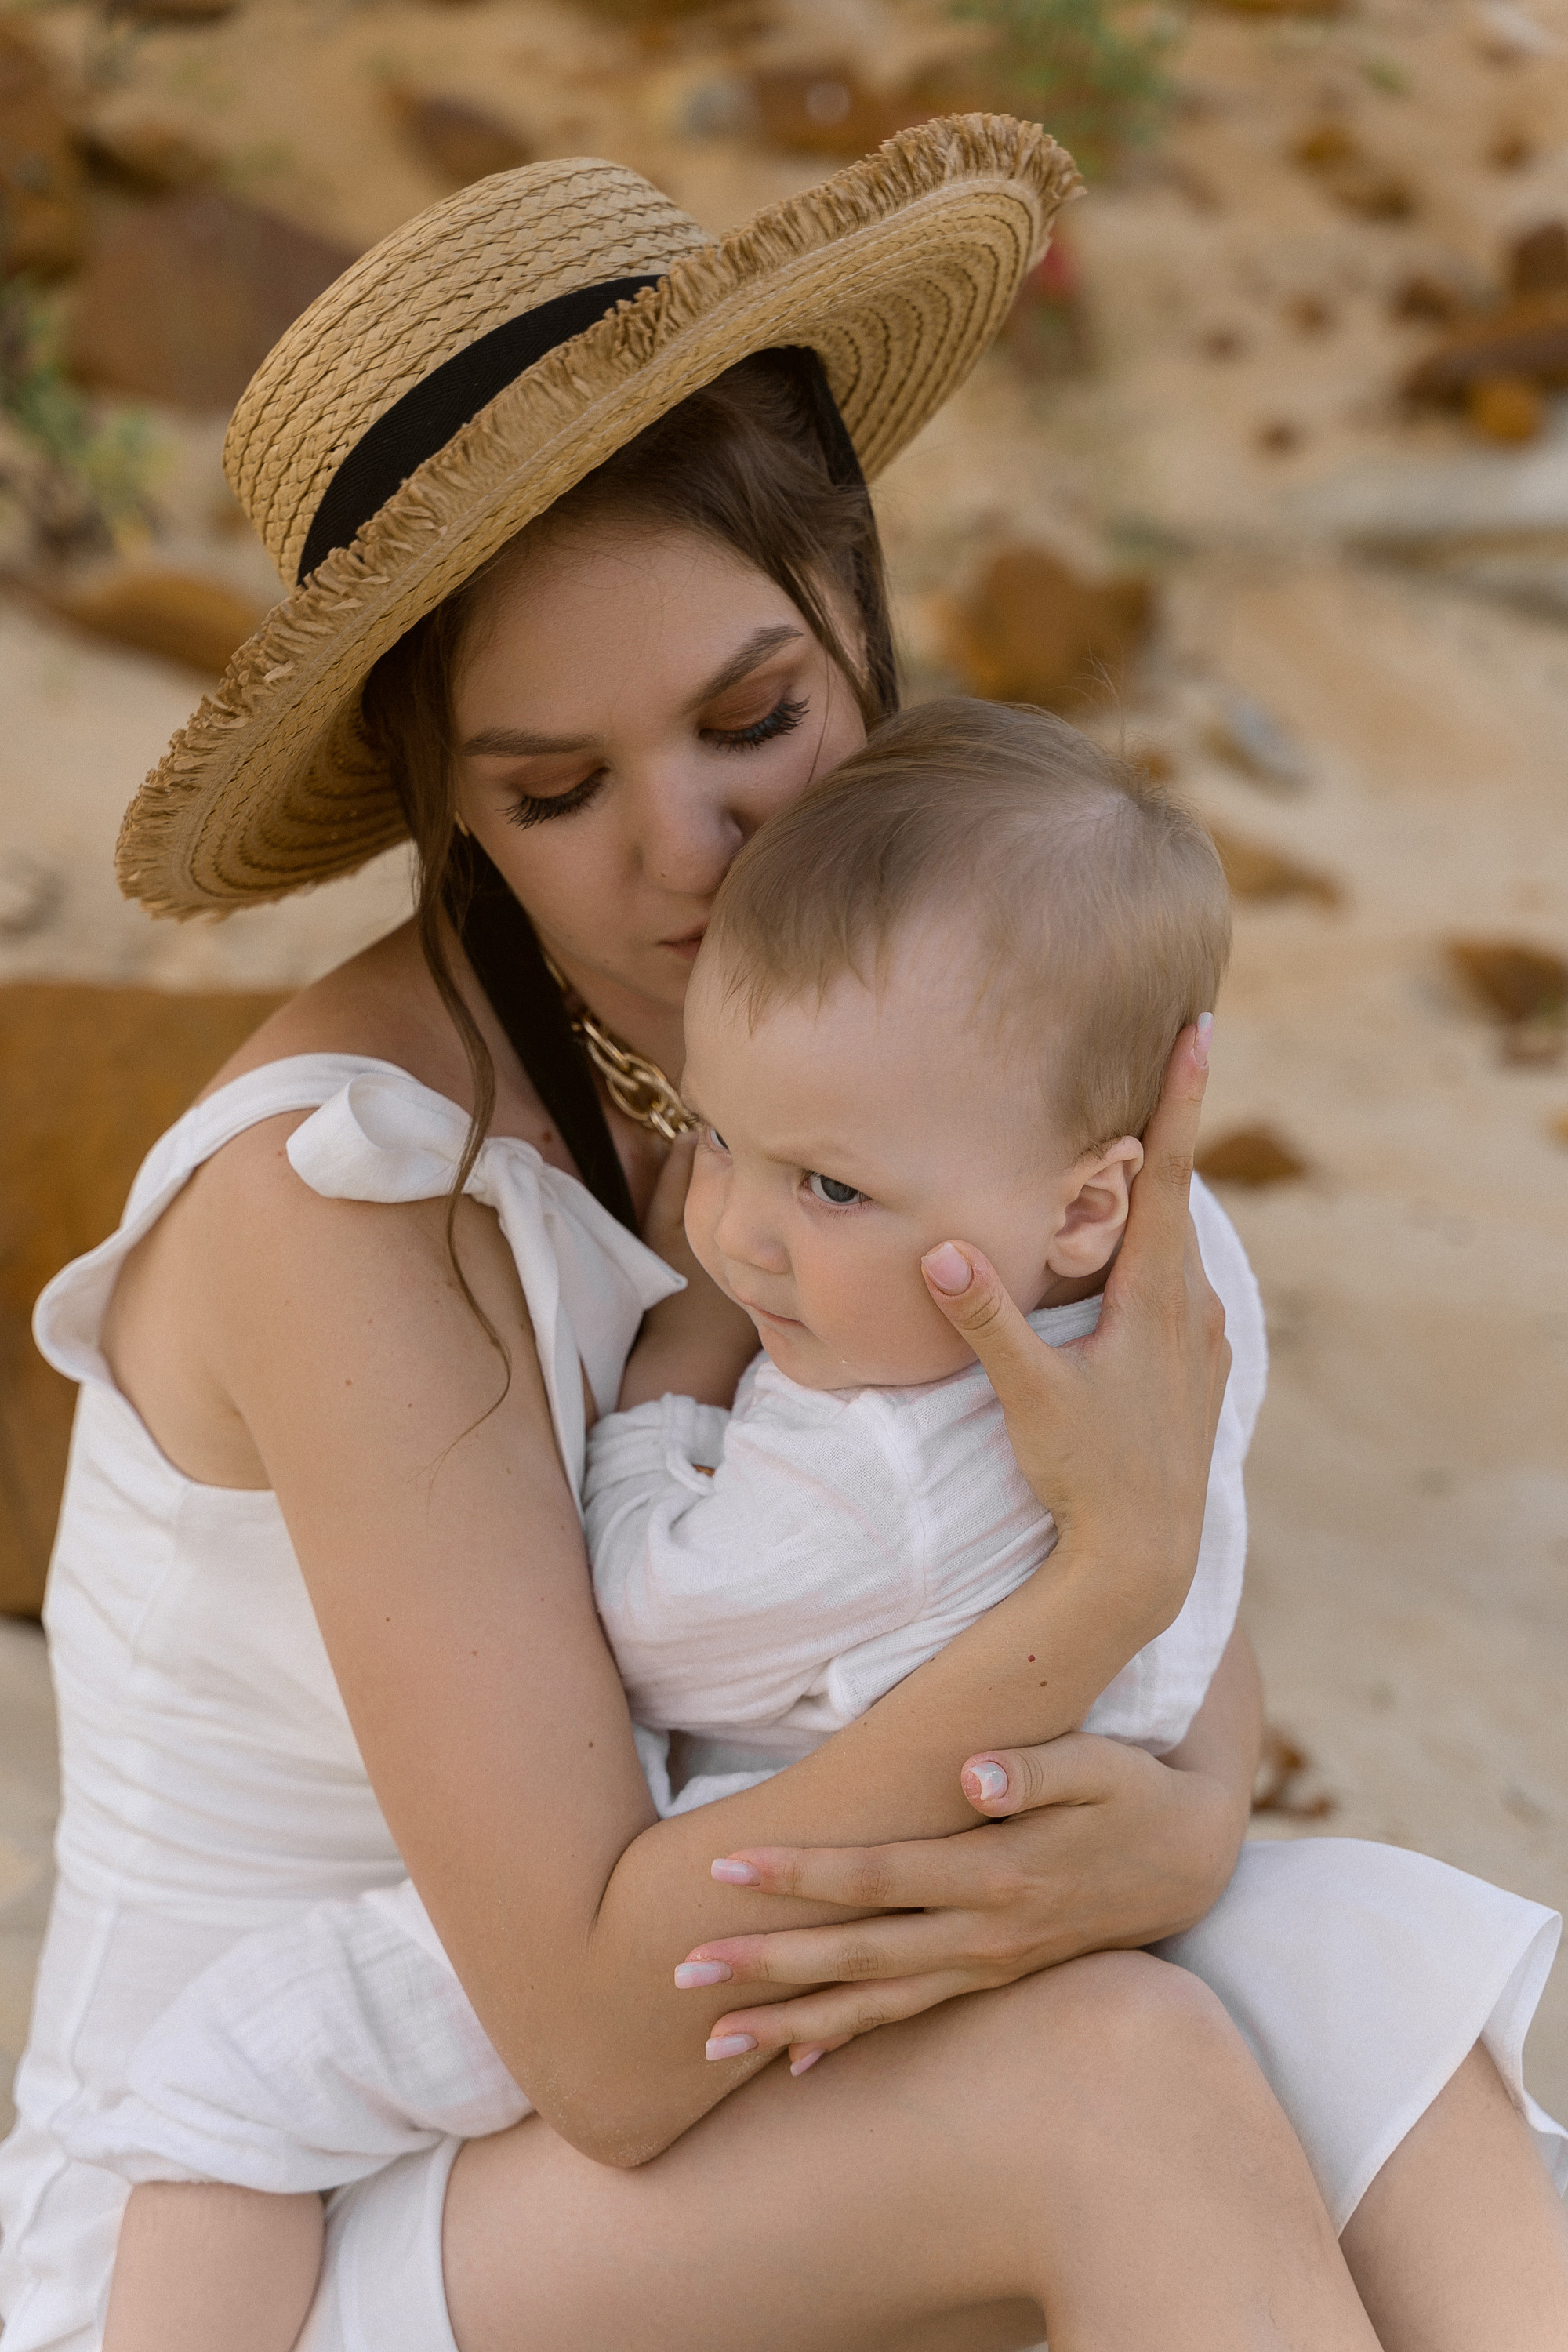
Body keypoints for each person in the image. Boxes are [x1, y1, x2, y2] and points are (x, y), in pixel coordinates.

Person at [0, 125, 1562, 2352]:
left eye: (756, 721)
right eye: (555, 793)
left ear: (860, 604)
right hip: (273, 2206)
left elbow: (1173, 1707)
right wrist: (1110, 1587)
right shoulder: (351, 1198)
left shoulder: (958, 1025)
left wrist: (1192, 1821)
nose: (696, 854)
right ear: (446, 799)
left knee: (1368, 1991)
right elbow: (611, 2047)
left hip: (713, 2059)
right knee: (1117, 2082)